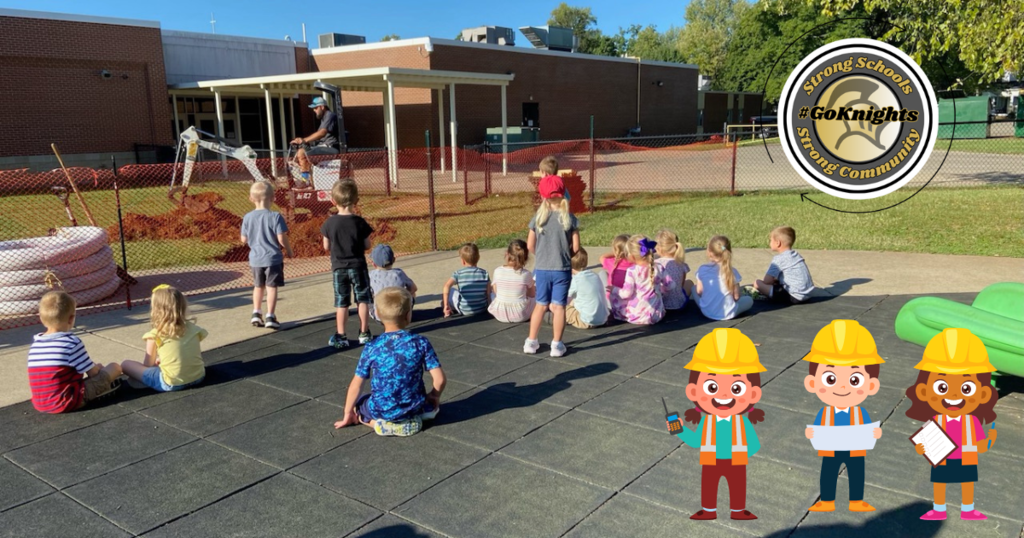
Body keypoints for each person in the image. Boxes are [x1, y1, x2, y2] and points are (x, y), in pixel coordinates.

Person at [906, 328, 998, 521]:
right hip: (943, 459)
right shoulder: (936, 421)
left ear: (983, 394)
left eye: (966, 388)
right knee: (940, 483)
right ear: (924, 391)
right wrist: (921, 448)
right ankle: (939, 509)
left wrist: (989, 441)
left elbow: (979, 445)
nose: (954, 396)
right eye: (942, 387)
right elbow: (925, 445)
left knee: (967, 482)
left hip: (966, 459)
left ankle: (968, 508)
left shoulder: (971, 421)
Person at [673, 328, 765, 521]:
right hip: (711, 461)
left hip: (735, 462)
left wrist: (740, 454)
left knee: (737, 485)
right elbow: (696, 441)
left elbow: (754, 444)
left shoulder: (741, 422)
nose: (723, 395)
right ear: (693, 392)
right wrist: (679, 429)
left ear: (753, 394)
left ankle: (738, 510)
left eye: (736, 388)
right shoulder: (708, 421)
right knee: (709, 485)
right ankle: (708, 509)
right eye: (712, 387)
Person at [334, 287, 446, 437]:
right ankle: (416, 417)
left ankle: (373, 422)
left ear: (378, 315)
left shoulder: (372, 346)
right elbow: (440, 379)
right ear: (408, 315)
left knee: (361, 402)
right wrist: (434, 396)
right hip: (414, 406)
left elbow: (357, 384)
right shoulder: (420, 342)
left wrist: (348, 412)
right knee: (428, 405)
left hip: (382, 409)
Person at [803, 320, 884, 513]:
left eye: (854, 380)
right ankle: (827, 500)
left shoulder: (859, 412)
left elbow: (868, 429)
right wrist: (811, 434)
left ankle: (856, 500)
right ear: (812, 383)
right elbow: (817, 428)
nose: (842, 387)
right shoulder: (825, 413)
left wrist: (874, 433)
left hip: (855, 450)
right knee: (828, 473)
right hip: (831, 450)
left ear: (871, 385)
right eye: (830, 378)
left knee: (857, 473)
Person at [28, 291, 121, 413]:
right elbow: (92, 373)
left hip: (41, 404)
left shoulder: (36, 344)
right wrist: (98, 368)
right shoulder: (71, 342)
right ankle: (103, 390)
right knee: (115, 367)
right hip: (68, 401)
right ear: (71, 318)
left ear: (41, 317)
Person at [525, 157, 579, 357]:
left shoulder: (538, 219)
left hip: (543, 268)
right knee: (559, 307)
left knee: (540, 305)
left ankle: (531, 342)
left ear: (543, 195)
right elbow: (576, 247)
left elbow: (530, 245)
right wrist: (564, 254)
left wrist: (541, 255)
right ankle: (556, 345)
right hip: (562, 269)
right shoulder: (569, 218)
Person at [121, 285, 207, 393]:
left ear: (156, 310)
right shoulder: (194, 329)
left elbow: (148, 365)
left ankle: (147, 382)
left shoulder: (155, 335)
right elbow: (186, 352)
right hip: (198, 377)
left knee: (126, 365)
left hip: (171, 383)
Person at [321, 179, 374, 349]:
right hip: (358, 266)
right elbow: (367, 245)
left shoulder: (329, 223)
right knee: (363, 299)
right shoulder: (360, 222)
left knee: (341, 302)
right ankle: (364, 333)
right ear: (356, 201)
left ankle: (341, 335)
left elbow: (326, 246)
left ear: (333, 201)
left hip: (339, 267)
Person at [241, 181, 292, 329]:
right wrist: (289, 250)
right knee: (271, 287)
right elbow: (281, 238)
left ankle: (256, 313)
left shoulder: (247, 217)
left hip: (256, 259)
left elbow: (243, 239)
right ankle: (270, 315)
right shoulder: (275, 216)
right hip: (272, 258)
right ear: (273, 198)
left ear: (251, 198)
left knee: (258, 287)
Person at [608, 235, 667, 325]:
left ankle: (616, 315)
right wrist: (659, 291)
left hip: (637, 317)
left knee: (614, 298)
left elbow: (626, 294)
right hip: (657, 315)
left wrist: (614, 290)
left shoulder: (632, 271)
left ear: (631, 256)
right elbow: (671, 285)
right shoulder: (659, 266)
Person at [692, 235, 752, 320]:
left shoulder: (702, 269)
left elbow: (699, 292)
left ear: (709, 252)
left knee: (693, 288)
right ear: (729, 251)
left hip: (706, 311)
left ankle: (710, 305)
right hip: (729, 313)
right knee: (749, 300)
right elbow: (736, 297)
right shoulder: (732, 272)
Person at [755, 226, 814, 304]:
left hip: (793, 296)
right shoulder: (796, 255)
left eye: (770, 240)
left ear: (778, 243)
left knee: (757, 283)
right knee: (776, 281)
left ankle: (766, 295)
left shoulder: (778, 259)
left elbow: (767, 281)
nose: (769, 242)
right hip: (807, 294)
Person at [291, 96, 340, 186]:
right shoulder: (324, 118)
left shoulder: (329, 115)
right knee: (299, 153)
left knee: (302, 153)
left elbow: (322, 133)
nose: (314, 110)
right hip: (323, 146)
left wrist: (304, 140)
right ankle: (308, 180)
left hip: (331, 147)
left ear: (322, 107)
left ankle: (305, 182)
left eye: (315, 108)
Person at [489, 239, 535, 323]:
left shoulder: (497, 271)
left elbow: (496, 292)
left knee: (492, 293)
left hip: (500, 314)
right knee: (537, 297)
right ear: (525, 257)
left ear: (507, 253)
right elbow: (532, 294)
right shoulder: (526, 274)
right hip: (520, 315)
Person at [369, 244, 417, 323]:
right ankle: (407, 313)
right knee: (412, 294)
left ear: (373, 264)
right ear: (394, 260)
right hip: (400, 315)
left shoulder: (371, 275)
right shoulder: (399, 273)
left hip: (380, 317)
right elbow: (413, 289)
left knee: (367, 298)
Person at [442, 243, 490, 317]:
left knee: (450, 290)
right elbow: (488, 293)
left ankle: (446, 308)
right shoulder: (485, 273)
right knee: (491, 289)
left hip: (464, 310)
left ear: (463, 261)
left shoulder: (458, 273)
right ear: (478, 258)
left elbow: (446, 286)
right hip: (482, 309)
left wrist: (446, 304)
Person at [566, 247, 608, 329]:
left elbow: (563, 297)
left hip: (586, 321)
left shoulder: (575, 280)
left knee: (559, 309)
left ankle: (551, 318)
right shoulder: (594, 275)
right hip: (603, 319)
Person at [654, 229, 690, 311]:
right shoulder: (681, 264)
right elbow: (681, 284)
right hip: (678, 304)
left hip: (660, 304)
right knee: (690, 283)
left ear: (658, 249)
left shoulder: (656, 264)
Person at [600, 234, 633, 318]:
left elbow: (602, 257)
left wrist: (615, 254)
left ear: (616, 250)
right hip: (631, 301)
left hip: (613, 303)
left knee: (602, 274)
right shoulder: (635, 263)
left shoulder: (612, 262)